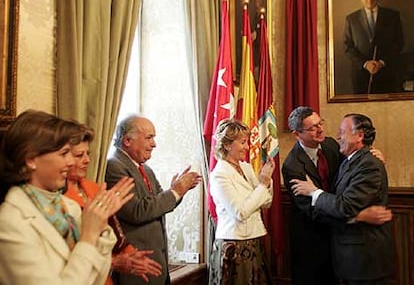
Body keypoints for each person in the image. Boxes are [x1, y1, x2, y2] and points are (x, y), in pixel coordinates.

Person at [0, 110, 134, 285]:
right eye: (64, 154)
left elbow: (96, 278)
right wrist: (88, 236)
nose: (71, 163)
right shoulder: (10, 221)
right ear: (31, 159)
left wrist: (99, 225)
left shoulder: (68, 206)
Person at [282, 106, 392, 285]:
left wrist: (372, 153)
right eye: (313, 128)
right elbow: (313, 211)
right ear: (297, 134)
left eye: (320, 123)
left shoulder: (331, 145)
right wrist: (358, 216)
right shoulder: (292, 166)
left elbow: (356, 167)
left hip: (347, 242)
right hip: (313, 242)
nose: (321, 130)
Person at [105, 115, 201, 285]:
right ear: (127, 140)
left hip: (157, 266)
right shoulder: (114, 166)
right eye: (149, 138)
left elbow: (159, 204)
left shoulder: (145, 169)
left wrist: (178, 191)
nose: (154, 144)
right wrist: (175, 191)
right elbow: (136, 211)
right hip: (135, 269)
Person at [64, 123, 162, 284]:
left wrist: (131, 255)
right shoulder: (56, 196)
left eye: (88, 154)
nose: (87, 160)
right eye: (79, 155)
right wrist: (113, 262)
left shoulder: (93, 188)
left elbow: (115, 233)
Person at [208, 118, 275, 284]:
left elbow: (266, 202)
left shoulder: (245, 167)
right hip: (234, 246)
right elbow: (240, 212)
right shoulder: (219, 175)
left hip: (254, 240)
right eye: (243, 142)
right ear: (227, 145)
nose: (247, 147)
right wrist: (262, 184)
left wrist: (266, 181)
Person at [344, 0, 404, 94]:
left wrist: (381, 63)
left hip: (387, 73)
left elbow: (399, 43)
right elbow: (348, 47)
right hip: (361, 75)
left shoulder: (392, 16)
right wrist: (366, 64)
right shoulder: (351, 19)